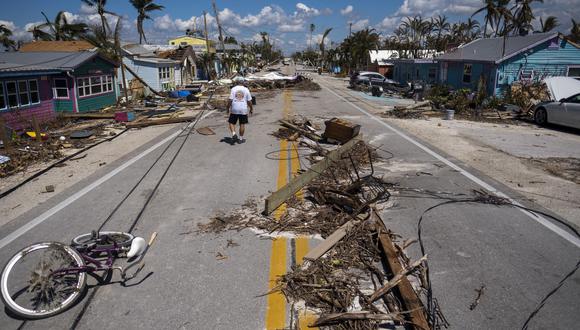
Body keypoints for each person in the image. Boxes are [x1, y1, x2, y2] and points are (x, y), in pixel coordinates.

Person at [227, 77, 253, 143]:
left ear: (237, 82)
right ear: (243, 82)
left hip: (234, 109)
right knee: (242, 124)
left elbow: (230, 100)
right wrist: (251, 108)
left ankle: (233, 134)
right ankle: (240, 139)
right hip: (243, 109)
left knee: (231, 122)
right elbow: (249, 101)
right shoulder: (246, 89)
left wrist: (227, 107)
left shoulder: (233, 89)